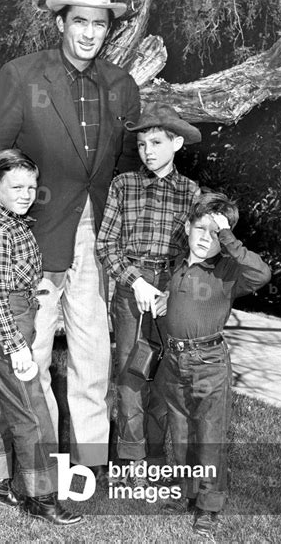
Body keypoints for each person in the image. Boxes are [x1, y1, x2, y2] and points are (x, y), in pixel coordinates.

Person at [0, 0, 141, 483]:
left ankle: (91, 463)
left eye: (99, 25)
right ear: (61, 21)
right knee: (26, 353)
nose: (89, 34)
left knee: (92, 352)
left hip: (96, 238)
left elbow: (123, 168)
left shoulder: (122, 86)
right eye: (79, 21)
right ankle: (37, 466)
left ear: (108, 29)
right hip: (30, 237)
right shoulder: (22, 75)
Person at [0, 148, 81, 525]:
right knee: (32, 412)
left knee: (3, 403)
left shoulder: (17, 224)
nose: (25, 193)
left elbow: (9, 280)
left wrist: (36, 289)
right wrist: (15, 346)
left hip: (18, 317)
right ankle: (42, 497)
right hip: (4, 327)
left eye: (32, 186)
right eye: (15, 186)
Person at [96, 102, 201, 485]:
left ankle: (155, 457)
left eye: (156, 142)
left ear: (177, 143)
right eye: (141, 145)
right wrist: (136, 281)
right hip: (130, 289)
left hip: (170, 293)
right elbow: (106, 245)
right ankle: (130, 459)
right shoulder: (124, 185)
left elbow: (196, 252)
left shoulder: (190, 192)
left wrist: (170, 292)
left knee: (164, 375)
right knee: (130, 372)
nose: (148, 151)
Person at [159, 191, 271, 537]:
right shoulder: (177, 265)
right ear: (188, 228)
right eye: (200, 229)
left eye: (215, 232)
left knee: (209, 435)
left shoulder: (227, 270)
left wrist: (230, 240)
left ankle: (208, 507)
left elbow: (262, 273)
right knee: (180, 430)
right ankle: (187, 491)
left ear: (225, 238)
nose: (205, 238)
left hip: (208, 362)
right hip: (174, 360)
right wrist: (164, 302)